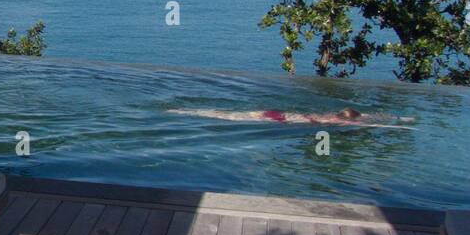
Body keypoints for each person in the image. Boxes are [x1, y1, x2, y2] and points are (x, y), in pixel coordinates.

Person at [169, 105, 413, 129]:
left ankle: (184, 111)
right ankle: (183, 112)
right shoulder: (338, 122)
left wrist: (400, 119)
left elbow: (370, 115)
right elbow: (374, 119)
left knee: (225, 114)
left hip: (278, 114)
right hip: (277, 120)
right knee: (227, 118)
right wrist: (399, 125)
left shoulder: (332, 115)